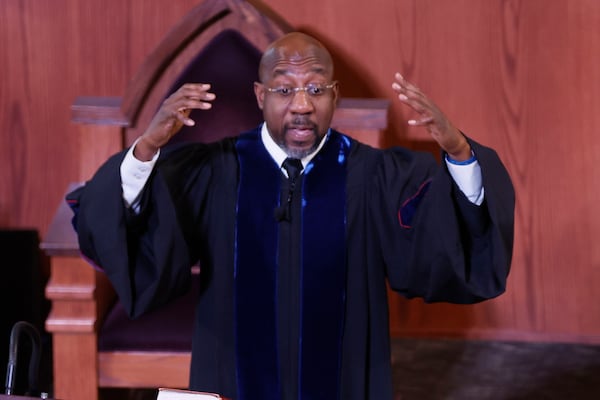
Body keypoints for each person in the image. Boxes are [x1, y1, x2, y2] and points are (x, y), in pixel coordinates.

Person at [67, 32, 515, 400]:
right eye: (284, 89)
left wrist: (458, 152)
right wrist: (146, 148)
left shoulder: (374, 176)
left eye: (316, 89)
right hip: (232, 378)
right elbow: (112, 220)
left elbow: (448, 241)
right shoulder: (215, 170)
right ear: (260, 95)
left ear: (334, 96)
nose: (301, 104)